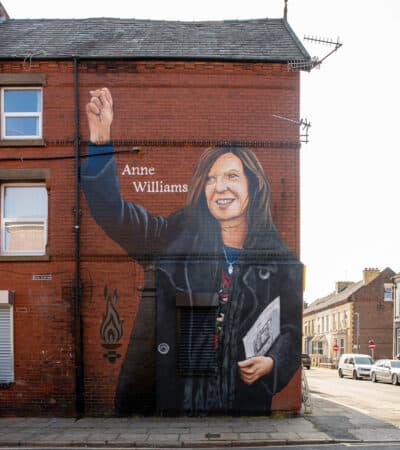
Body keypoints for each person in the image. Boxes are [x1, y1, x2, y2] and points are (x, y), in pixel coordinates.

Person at [81, 87, 302, 415]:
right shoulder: (174, 239)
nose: (220, 187)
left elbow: (292, 331)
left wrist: (272, 362)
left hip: (243, 406)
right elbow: (113, 213)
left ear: (253, 187)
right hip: (173, 404)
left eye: (231, 176)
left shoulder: (280, 262)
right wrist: (100, 144)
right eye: (211, 179)